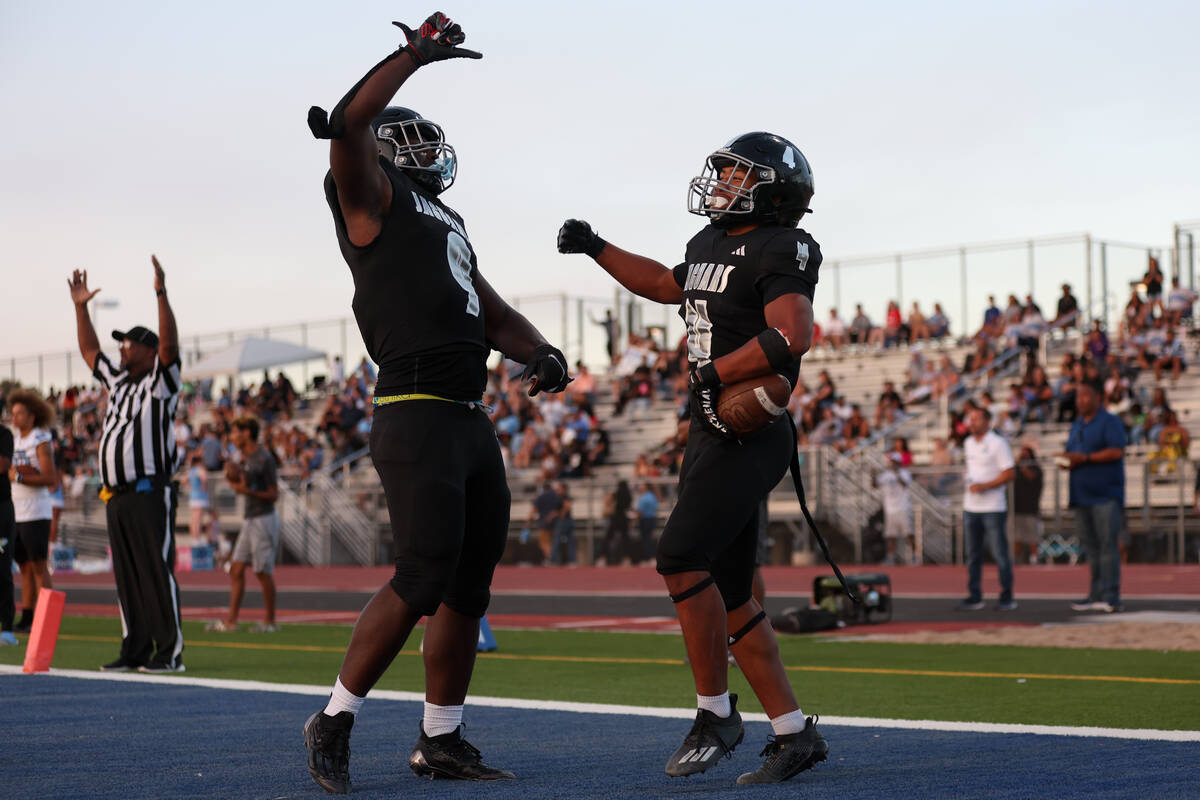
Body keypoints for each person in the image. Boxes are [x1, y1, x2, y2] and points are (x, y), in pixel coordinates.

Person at [301, 13, 571, 792]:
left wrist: (539, 351)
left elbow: (488, 310)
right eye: (409, 140)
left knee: (467, 586)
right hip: (414, 405)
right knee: (420, 575)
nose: (427, 152)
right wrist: (413, 56)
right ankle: (335, 716)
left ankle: (441, 740)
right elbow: (349, 120)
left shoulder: (445, 218)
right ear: (381, 153)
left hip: (466, 416)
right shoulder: (368, 199)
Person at [559, 129, 828, 784]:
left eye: (737, 176)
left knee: (681, 558)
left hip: (750, 430)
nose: (722, 185)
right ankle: (793, 734)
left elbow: (792, 335)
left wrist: (716, 373)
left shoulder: (782, 245)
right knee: (734, 594)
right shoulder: (708, 243)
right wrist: (597, 247)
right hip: (710, 431)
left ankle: (716, 713)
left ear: (769, 186)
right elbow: (663, 283)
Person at [68, 257, 185, 673]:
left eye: (128, 343)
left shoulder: (161, 382)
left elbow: (170, 349)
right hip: (115, 496)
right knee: (128, 579)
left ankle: (168, 652)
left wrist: (161, 293)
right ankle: (134, 649)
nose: (121, 348)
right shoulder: (118, 382)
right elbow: (89, 351)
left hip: (148, 491)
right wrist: (81, 307)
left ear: (148, 350)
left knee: (155, 571)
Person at [207, 416, 280, 633]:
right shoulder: (245, 457)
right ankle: (231, 622)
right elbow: (242, 484)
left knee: (262, 571)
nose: (232, 437)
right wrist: (233, 478)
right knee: (236, 568)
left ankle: (270, 622)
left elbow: (273, 494)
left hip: (264, 519)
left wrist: (247, 490)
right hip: (251, 519)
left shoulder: (263, 458)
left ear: (247, 433)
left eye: (236, 432)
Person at [1060, 380, 1127, 613]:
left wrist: (1085, 459)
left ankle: (1111, 596)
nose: (1081, 401)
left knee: (1108, 546)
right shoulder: (1077, 425)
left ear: (1098, 397)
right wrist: (1067, 460)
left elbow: (1117, 451)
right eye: (1078, 397)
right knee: (1091, 548)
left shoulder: (1110, 422)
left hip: (1105, 495)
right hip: (1081, 495)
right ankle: (1095, 593)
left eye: (1085, 396)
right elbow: (1075, 453)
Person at [6, 389, 57, 633]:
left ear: (32, 416)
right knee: (24, 566)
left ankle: (47, 618)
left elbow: (50, 477)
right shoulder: (14, 439)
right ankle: (27, 616)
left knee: (39, 565)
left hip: (36, 511)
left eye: (20, 413)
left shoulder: (40, 439)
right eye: (12, 413)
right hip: (17, 510)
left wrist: (19, 476)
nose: (14, 418)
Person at [959, 407, 1017, 611]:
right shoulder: (967, 443)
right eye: (970, 418)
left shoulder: (998, 443)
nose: (972, 422)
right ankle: (975, 595)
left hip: (993, 507)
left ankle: (1007, 596)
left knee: (1000, 553)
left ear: (987, 421)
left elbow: (1009, 473)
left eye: (976, 419)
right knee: (972, 554)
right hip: (971, 506)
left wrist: (985, 486)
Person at [875, 453, 915, 565]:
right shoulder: (886, 475)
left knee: (909, 533)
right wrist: (872, 474)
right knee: (890, 535)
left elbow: (905, 484)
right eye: (891, 461)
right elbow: (874, 484)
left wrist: (897, 474)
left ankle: (914, 556)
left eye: (894, 462)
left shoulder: (904, 473)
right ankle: (891, 557)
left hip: (903, 507)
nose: (892, 464)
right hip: (890, 509)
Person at [1011, 445, 1044, 564]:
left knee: (1032, 537)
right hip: (1017, 508)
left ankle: (1034, 558)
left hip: (1030, 509)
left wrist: (1023, 467)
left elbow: (1032, 477)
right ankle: (1016, 559)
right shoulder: (1016, 469)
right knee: (1016, 537)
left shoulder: (1035, 468)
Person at [0, 408, 15, 646]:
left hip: (1, 510)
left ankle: (7, 629)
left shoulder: (4, 435)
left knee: (2, 570)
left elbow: (2, 465)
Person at [527, 481, 562, 564]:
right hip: (555, 521)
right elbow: (561, 508)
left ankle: (550, 558)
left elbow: (534, 510)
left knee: (544, 542)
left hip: (543, 522)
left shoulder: (540, 497)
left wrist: (528, 521)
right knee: (553, 542)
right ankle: (554, 558)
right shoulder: (556, 496)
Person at [186, 453, 211, 544]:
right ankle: (197, 538)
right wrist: (204, 485)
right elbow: (205, 477)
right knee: (198, 519)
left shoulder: (191, 471)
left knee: (193, 519)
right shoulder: (199, 469)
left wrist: (190, 486)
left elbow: (184, 479)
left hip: (193, 496)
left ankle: (194, 537)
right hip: (200, 496)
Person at [635, 482, 660, 564]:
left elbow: (640, 511)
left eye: (642, 485)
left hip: (645, 519)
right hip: (652, 519)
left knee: (646, 539)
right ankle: (651, 557)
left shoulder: (644, 497)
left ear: (646, 487)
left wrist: (634, 521)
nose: (640, 487)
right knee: (649, 538)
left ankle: (648, 557)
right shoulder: (653, 496)